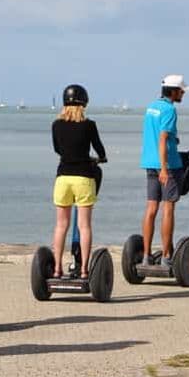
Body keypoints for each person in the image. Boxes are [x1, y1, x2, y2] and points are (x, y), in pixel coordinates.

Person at [51, 84, 107, 278]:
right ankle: (83, 270)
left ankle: (57, 268)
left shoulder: (56, 124)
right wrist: (98, 158)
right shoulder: (89, 125)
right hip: (83, 177)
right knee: (84, 226)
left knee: (61, 225)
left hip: (63, 178)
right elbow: (100, 151)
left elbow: (58, 149)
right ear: (84, 102)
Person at [140, 74, 189, 268]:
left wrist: (173, 142)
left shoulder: (151, 107)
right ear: (174, 91)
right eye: (181, 90)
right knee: (167, 208)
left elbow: (155, 136)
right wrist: (164, 168)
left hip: (149, 162)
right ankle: (166, 256)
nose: (183, 93)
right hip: (167, 166)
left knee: (151, 209)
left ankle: (146, 255)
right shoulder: (169, 110)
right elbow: (162, 138)